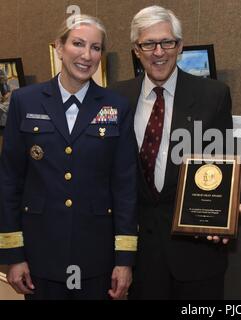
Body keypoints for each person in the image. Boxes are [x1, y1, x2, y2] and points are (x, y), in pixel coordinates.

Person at [0, 14, 138, 300]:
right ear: (59, 48)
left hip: (97, 257)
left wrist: (124, 260)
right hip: (40, 254)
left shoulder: (116, 107)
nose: (87, 55)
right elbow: (9, 180)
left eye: (96, 48)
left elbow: (125, 186)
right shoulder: (25, 101)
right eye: (78, 44)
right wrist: (13, 254)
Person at [110, 5, 240, 300]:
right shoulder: (116, 97)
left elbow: (221, 164)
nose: (159, 52)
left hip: (197, 254)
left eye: (167, 42)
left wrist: (228, 207)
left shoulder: (213, 96)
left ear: (179, 46)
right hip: (139, 256)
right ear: (136, 50)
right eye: (148, 44)